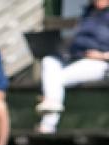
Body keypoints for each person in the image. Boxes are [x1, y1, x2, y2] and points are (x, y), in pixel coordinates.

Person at [36, 0, 109, 133]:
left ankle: (47, 125)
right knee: (49, 61)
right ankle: (50, 102)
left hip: (100, 64)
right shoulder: (88, 13)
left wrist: (102, 55)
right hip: (75, 58)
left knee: (56, 79)